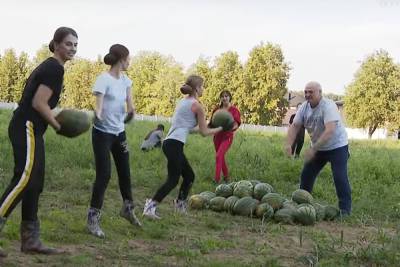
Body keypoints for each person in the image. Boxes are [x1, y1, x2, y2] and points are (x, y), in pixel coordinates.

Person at [0, 27, 78, 257]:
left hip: (33, 129)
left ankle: (30, 240)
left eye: (75, 44)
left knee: (35, 182)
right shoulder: (54, 68)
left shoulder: (52, 67)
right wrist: (58, 125)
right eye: (68, 44)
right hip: (27, 126)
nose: (72, 48)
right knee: (24, 179)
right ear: (56, 44)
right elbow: (39, 103)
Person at [142, 75, 222, 219]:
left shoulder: (183, 102)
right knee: (173, 179)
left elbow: (191, 129)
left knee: (189, 176)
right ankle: (150, 206)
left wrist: (210, 125)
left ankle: (179, 205)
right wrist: (220, 129)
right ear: (197, 88)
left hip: (170, 143)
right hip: (174, 144)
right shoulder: (197, 105)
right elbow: (204, 132)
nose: (203, 89)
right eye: (202, 86)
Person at [87, 44, 141, 239]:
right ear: (121, 59)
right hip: (102, 134)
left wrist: (131, 112)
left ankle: (127, 208)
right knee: (104, 175)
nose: (130, 61)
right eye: (128, 58)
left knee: (125, 172)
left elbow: (130, 105)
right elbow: (99, 107)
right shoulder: (103, 80)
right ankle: (93, 219)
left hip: (119, 133)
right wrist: (97, 115)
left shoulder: (126, 80)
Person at [285, 81, 351, 217]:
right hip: (318, 148)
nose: (308, 94)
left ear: (320, 93)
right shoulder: (304, 107)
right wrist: (288, 144)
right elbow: (295, 126)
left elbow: (330, 130)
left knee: (340, 177)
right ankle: (302, 205)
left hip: (337, 146)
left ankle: (345, 211)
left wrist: (313, 148)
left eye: (311, 92)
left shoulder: (328, 106)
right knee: (306, 175)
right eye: (306, 92)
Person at [211, 90, 241, 183]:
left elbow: (236, 124)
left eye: (226, 96)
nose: (224, 98)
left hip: (227, 137)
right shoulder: (217, 109)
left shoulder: (234, 110)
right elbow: (212, 122)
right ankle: (227, 177)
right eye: (222, 96)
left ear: (229, 97)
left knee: (218, 155)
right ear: (220, 98)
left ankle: (216, 180)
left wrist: (229, 128)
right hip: (217, 137)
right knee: (221, 157)